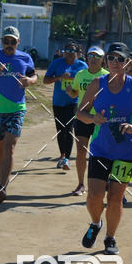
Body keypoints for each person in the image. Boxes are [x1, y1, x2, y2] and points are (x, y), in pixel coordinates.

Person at [77, 42, 132, 254]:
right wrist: (93, 118)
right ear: (106, 60)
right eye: (111, 58)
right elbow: (80, 113)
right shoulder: (96, 84)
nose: (115, 62)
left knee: (115, 198)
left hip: (127, 150)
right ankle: (95, 224)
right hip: (101, 148)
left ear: (127, 62)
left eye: (120, 59)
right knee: (94, 195)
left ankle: (110, 238)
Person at [0, 26, 37, 203]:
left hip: (17, 109)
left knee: (9, 147)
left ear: (18, 42)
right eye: (6, 41)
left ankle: (2, 186)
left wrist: (29, 81)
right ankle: (0, 179)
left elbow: (34, 76)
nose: (9, 44)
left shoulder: (25, 57)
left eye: (13, 41)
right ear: (2, 41)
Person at [67, 45, 108, 196]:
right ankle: (80, 184)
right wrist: (70, 91)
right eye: (91, 56)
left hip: (100, 119)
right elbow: (74, 92)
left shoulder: (107, 76)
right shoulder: (80, 74)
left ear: (102, 60)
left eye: (97, 57)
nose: (93, 59)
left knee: (101, 152)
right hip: (83, 118)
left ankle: (103, 182)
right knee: (81, 151)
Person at [43, 43, 87, 171]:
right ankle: (62, 154)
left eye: (72, 51)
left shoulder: (81, 66)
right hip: (58, 102)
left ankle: (66, 158)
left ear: (77, 53)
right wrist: (59, 77)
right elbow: (45, 80)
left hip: (73, 101)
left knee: (68, 129)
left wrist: (75, 80)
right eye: (66, 50)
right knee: (60, 130)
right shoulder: (57, 63)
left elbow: (86, 81)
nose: (68, 53)